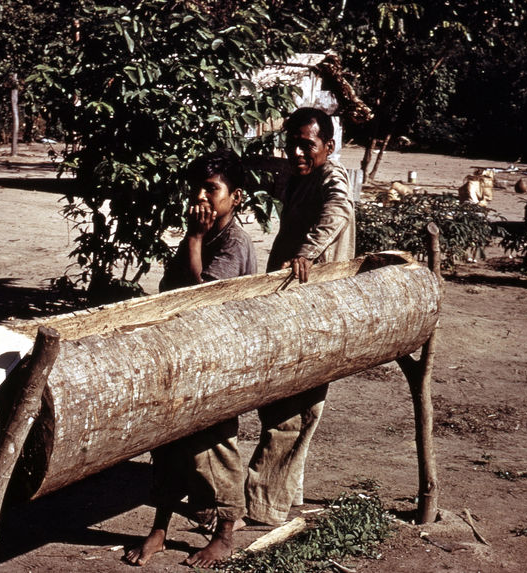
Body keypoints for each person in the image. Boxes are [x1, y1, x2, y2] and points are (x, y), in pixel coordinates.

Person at [124, 149, 255, 568]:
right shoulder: (196, 235)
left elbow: (204, 300)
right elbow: (168, 289)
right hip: (186, 357)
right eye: (196, 188)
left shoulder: (233, 241)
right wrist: (192, 241)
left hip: (222, 359)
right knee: (168, 444)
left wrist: (195, 240)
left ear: (234, 197)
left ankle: (225, 534)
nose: (200, 196)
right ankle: (159, 529)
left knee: (215, 445)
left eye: (211, 189)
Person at [246, 107, 356, 526]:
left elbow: (339, 211)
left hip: (319, 307)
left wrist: (306, 252)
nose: (295, 152)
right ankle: (285, 494)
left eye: (306, 145)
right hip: (294, 301)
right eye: (291, 143)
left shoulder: (333, 176)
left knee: (296, 407)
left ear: (329, 147)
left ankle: (264, 506)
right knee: (286, 401)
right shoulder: (299, 177)